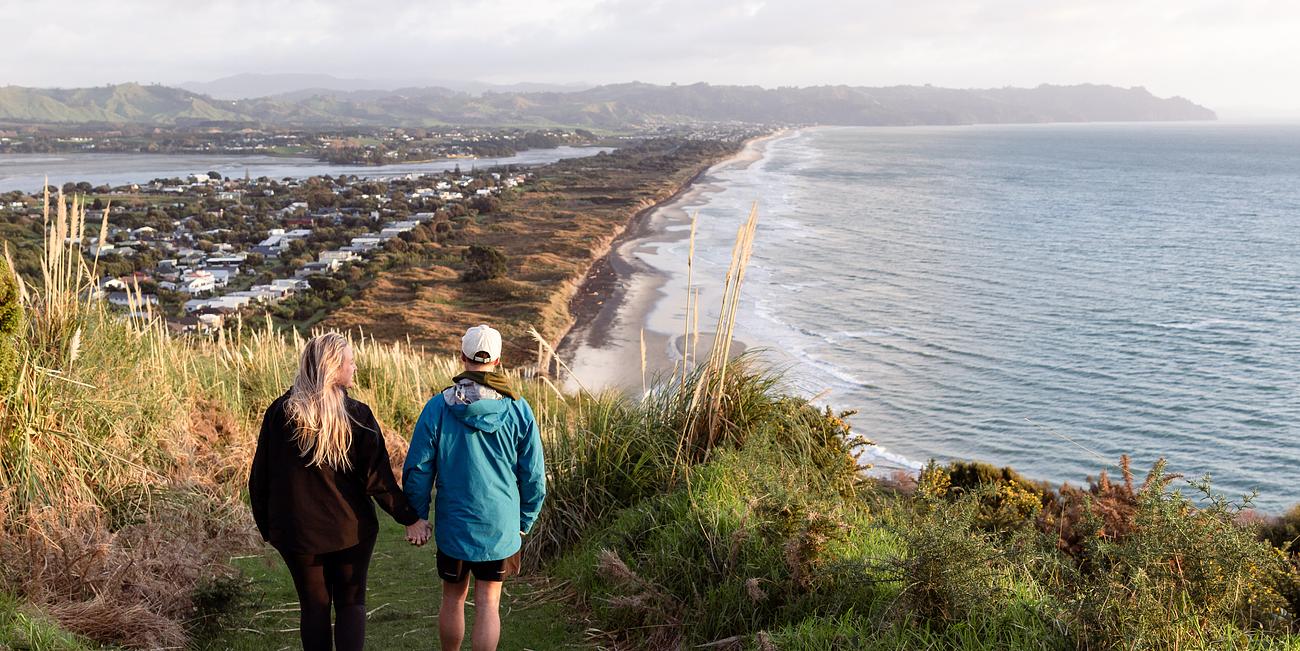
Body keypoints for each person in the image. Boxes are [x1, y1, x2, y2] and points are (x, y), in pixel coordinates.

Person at [248, 332, 426, 651]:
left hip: (296, 534)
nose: (355, 367)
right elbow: (378, 480)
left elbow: (259, 478)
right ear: (334, 367)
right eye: (350, 361)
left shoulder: (279, 413)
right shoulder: (358, 415)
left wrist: (269, 528)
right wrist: (410, 518)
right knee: (350, 603)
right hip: (350, 531)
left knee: (313, 608)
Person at [403, 324, 546, 651]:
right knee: (488, 604)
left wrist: (417, 515)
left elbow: (418, 468)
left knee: (453, 599)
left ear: (462, 357)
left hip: (455, 524)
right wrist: (523, 522)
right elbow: (534, 475)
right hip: (499, 526)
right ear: (498, 362)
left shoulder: (438, 407)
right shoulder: (518, 409)